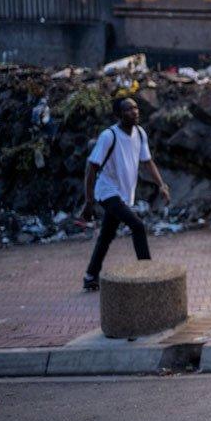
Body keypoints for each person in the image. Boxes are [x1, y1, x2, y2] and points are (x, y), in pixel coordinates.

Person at [80, 97, 171, 292]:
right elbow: (91, 167)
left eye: (136, 108)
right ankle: (148, 274)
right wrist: (88, 201)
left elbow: (147, 161)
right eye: (128, 109)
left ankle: (90, 276)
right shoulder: (108, 136)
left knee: (106, 235)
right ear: (118, 115)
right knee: (137, 225)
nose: (134, 112)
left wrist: (161, 185)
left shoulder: (139, 133)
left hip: (123, 195)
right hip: (107, 192)